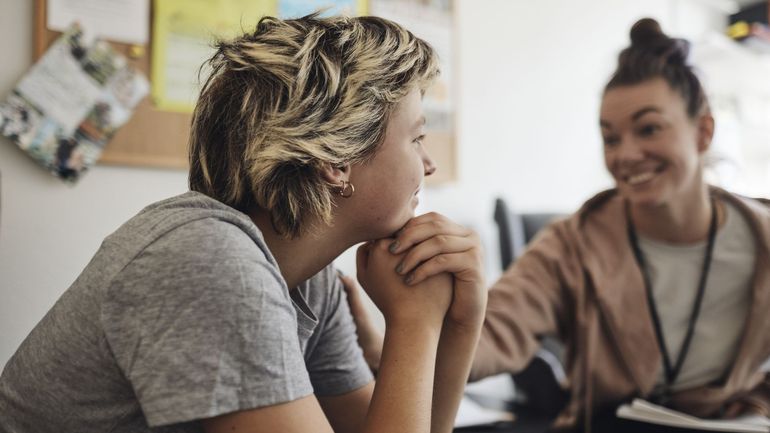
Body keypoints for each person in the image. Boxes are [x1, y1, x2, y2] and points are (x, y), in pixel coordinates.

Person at [0, 14, 486, 433]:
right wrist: (414, 322)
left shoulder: (309, 281)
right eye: (416, 138)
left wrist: (462, 321)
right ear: (337, 159)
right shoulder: (209, 259)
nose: (428, 165)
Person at [344, 18, 770, 432]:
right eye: (611, 138)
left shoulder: (762, 238)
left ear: (703, 132)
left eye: (649, 129)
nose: (626, 155)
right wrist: (394, 348)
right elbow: (497, 331)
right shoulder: (574, 243)